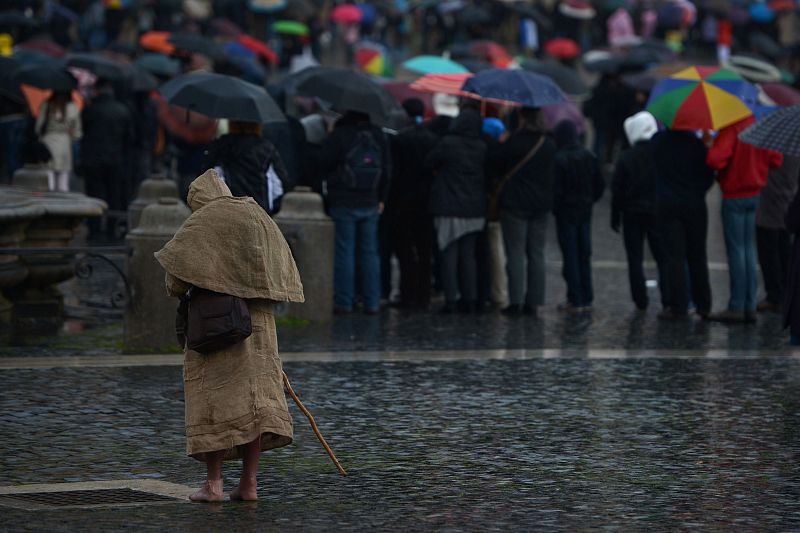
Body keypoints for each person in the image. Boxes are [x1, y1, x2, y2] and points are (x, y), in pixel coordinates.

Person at [155, 169, 304, 502]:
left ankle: (213, 484)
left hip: (217, 325)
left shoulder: (203, 223)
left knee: (215, 402)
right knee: (256, 406)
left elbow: (175, 281)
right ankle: (249, 484)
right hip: (260, 326)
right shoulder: (257, 215)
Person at [706, 116, 784, 323]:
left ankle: (737, 305)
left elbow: (716, 159)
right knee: (748, 249)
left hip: (734, 194)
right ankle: (749, 304)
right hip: (755, 194)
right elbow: (776, 159)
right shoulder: (761, 126)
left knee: (736, 249)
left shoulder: (732, 128)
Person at [312, 110, 390, 314]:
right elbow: (387, 168)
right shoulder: (378, 134)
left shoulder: (340, 134)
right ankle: (372, 302)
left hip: (344, 200)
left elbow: (323, 162)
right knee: (370, 253)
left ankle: (344, 301)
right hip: (371, 200)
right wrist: (382, 197)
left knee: (344, 251)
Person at [488, 107, 556, 317]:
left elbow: (495, 165)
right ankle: (533, 302)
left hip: (515, 204)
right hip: (540, 205)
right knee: (536, 253)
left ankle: (515, 302)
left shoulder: (513, 142)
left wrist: (501, 142)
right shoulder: (549, 144)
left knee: (515, 253)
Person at [425, 106, 487, 314]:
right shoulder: (482, 147)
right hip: (474, 208)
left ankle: (451, 299)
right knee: (468, 256)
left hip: (448, 206)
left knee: (449, 254)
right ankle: (470, 298)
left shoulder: (448, 144)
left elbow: (429, 162)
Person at [651, 129, 715, 320]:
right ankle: (703, 304)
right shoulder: (697, 145)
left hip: (667, 203)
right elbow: (708, 176)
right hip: (694, 203)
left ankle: (678, 306)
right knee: (697, 255)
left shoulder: (658, 141)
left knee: (674, 257)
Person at [386, 98, 439, 309]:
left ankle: (407, 293)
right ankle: (423, 295)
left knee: (405, 250)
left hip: (403, 201)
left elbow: (395, 173)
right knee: (425, 250)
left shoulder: (400, 139)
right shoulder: (433, 138)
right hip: (427, 201)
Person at [611, 111, 666, 311]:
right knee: (662, 256)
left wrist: (615, 215)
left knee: (635, 258)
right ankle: (667, 297)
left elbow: (617, 189)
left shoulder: (626, 157)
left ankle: (640, 300)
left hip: (631, 213)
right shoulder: (660, 155)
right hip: (656, 211)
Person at [552, 120, 604, 312]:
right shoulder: (589, 156)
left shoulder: (559, 159)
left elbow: (556, 191)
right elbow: (599, 185)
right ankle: (586, 296)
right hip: (584, 211)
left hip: (567, 212)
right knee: (583, 253)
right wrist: (589, 200)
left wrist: (556, 207)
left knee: (571, 255)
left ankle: (575, 298)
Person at [79, 79, 134, 241]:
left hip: (93, 159)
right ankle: (112, 228)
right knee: (114, 195)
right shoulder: (123, 110)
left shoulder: (90, 110)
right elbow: (129, 139)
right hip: (116, 159)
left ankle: (94, 229)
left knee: (94, 195)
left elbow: (83, 134)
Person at [203, 120, 291, 215]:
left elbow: (205, 180)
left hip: (227, 213)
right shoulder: (267, 149)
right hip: (259, 214)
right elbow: (279, 188)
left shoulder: (220, 147)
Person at [756, 156, 800, 313]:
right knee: (783, 248)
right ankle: (782, 292)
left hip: (773, 201)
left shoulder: (779, 147)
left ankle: (775, 295)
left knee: (770, 250)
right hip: (786, 198)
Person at [35, 92, 82, 192]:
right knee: (63, 179)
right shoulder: (73, 107)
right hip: (65, 143)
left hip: (48, 141)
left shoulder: (46, 105)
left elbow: (38, 127)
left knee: (48, 176)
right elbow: (77, 133)